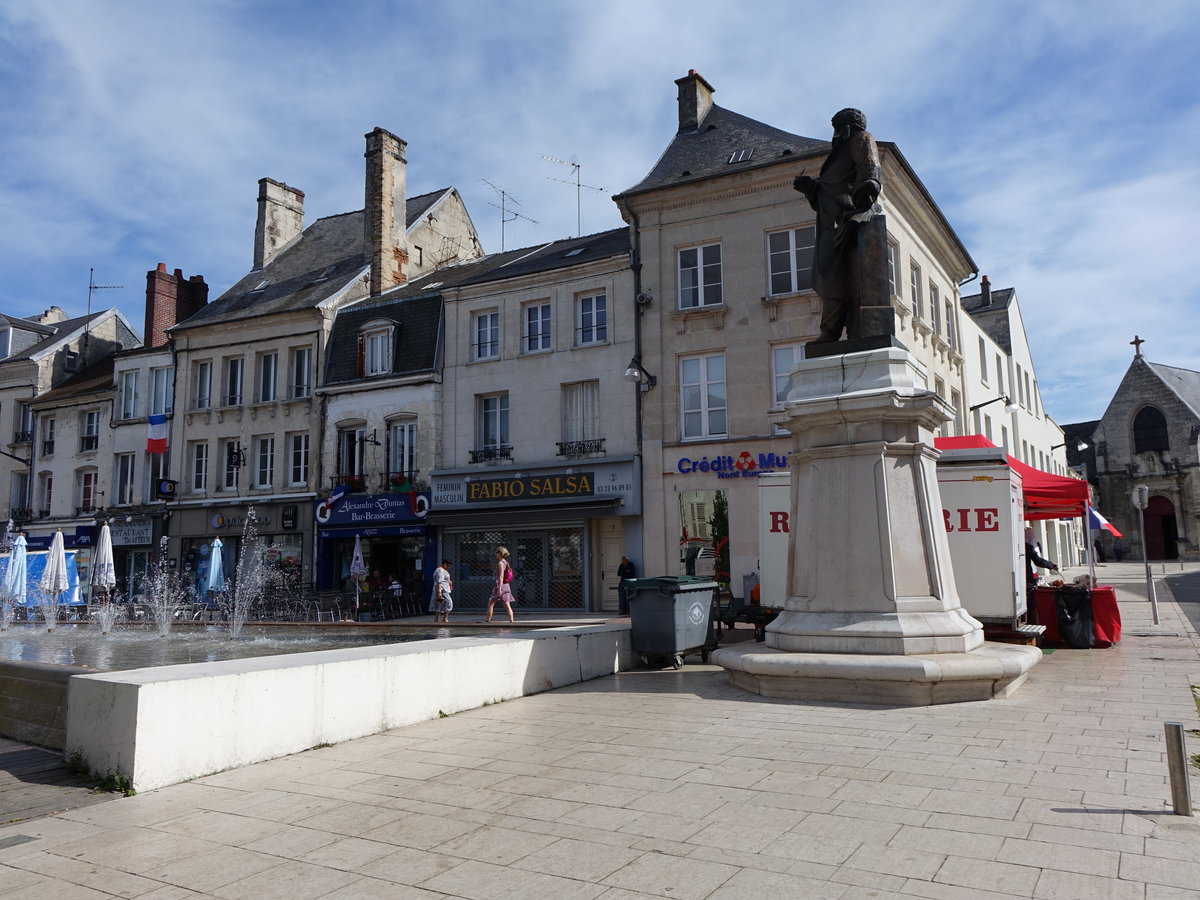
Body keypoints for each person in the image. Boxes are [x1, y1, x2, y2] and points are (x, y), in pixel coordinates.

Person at [793, 107, 882, 342]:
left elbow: (869, 165)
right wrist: (811, 188)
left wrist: (868, 190)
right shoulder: (839, 154)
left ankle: (832, 331)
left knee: (837, 276)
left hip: (848, 220)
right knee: (829, 277)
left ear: (846, 126)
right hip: (829, 225)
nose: (834, 134)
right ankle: (830, 330)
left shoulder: (860, 138)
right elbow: (832, 189)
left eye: (836, 128)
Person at [486, 546, 515, 624]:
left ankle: (488, 621)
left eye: (497, 552)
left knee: (490, 603)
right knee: (507, 604)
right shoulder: (506, 562)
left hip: (501, 586)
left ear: (500, 553)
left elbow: (501, 576)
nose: (496, 554)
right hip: (506, 585)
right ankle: (511, 621)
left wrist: (499, 588)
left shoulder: (500, 563)